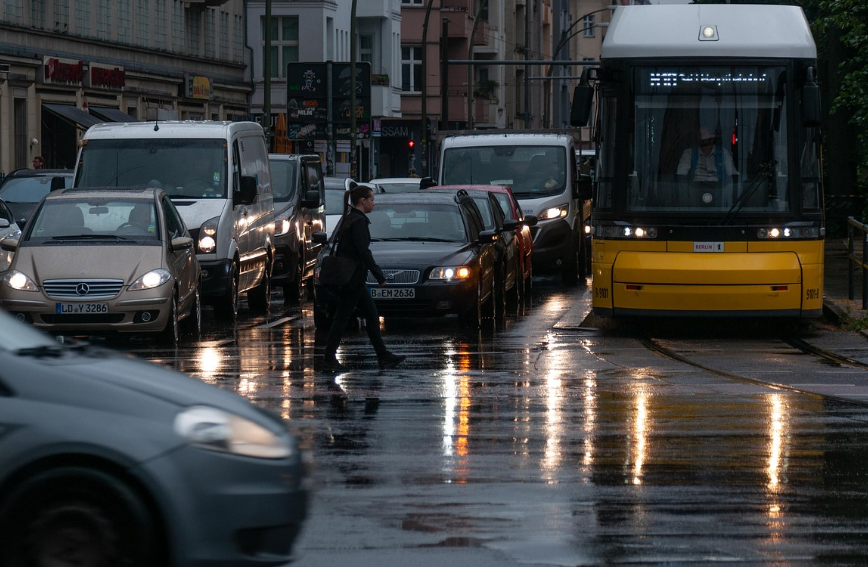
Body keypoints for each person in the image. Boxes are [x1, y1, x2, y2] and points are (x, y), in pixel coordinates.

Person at [322, 182, 405, 372]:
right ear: (363, 201)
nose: (373, 204)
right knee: (342, 318)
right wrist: (379, 275)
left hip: (352, 277)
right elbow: (363, 252)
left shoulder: (350, 218)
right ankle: (328, 359)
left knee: (370, 314)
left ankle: (383, 356)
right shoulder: (358, 222)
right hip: (353, 278)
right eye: (372, 200)